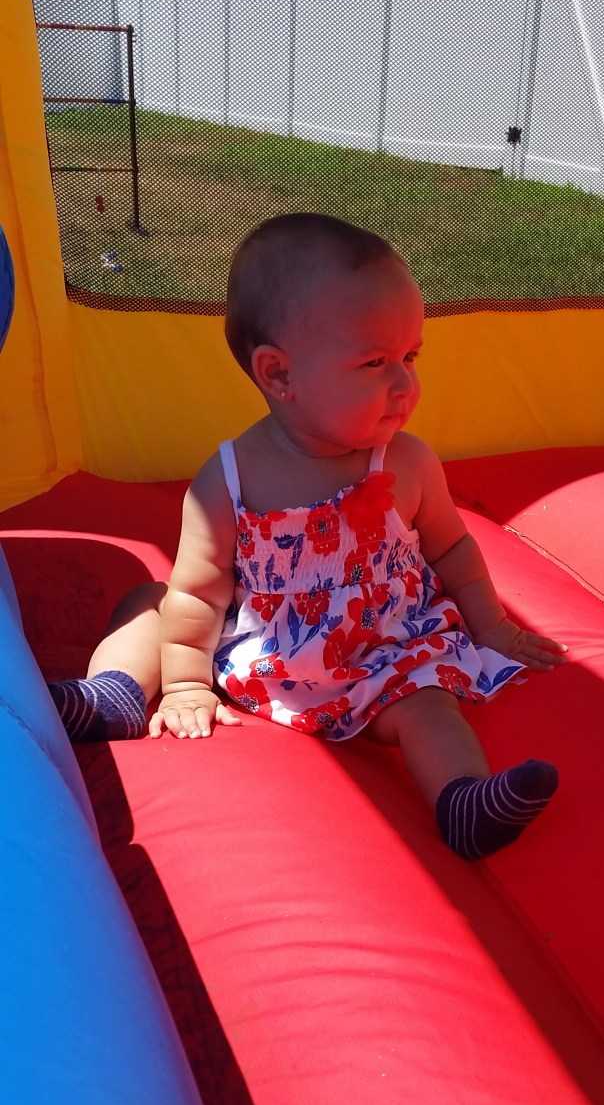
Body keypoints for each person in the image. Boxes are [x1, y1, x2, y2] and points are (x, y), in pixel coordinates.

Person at [51, 214, 568, 859]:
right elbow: (201, 593)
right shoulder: (230, 479)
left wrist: (493, 627)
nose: (405, 385)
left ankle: (460, 799)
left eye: (410, 357)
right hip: (262, 658)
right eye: (375, 362)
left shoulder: (405, 462)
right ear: (279, 376)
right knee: (153, 601)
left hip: (382, 659)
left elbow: (452, 550)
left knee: (429, 704)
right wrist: (186, 682)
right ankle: (119, 693)